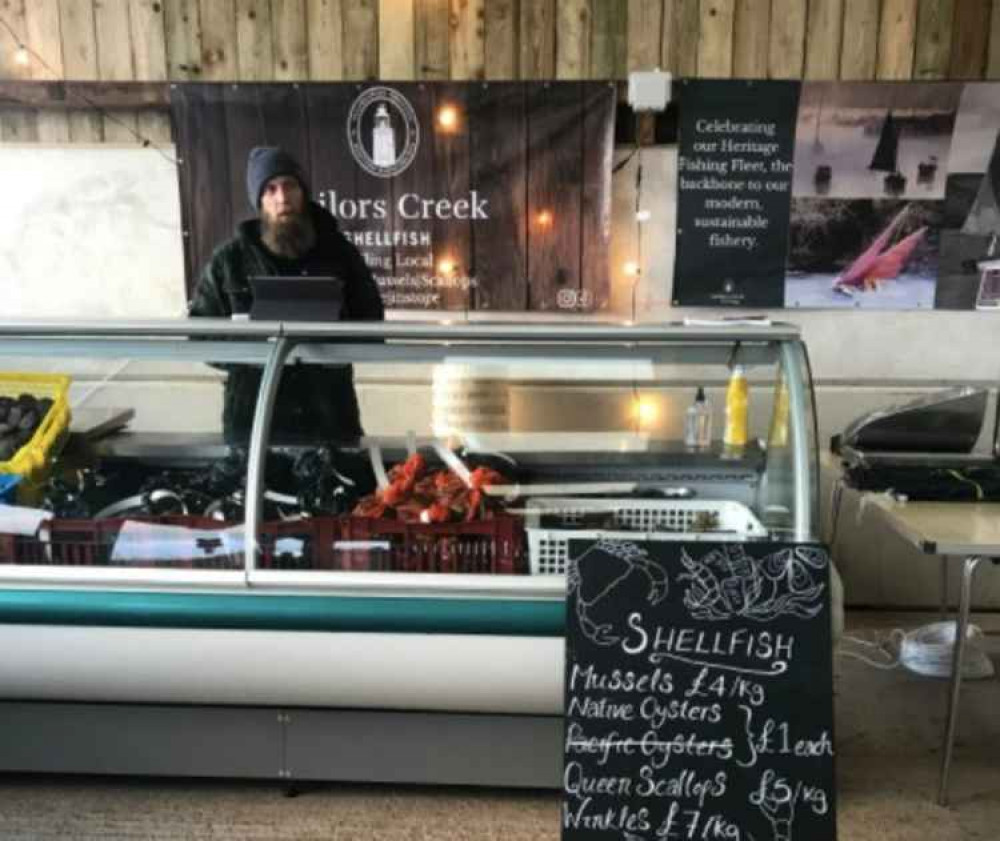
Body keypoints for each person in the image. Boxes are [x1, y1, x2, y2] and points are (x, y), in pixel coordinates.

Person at [189, 147, 384, 445]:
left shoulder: (340, 254)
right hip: (254, 423)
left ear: (303, 191)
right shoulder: (229, 261)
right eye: (270, 189)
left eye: (289, 185)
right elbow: (199, 337)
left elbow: (373, 324)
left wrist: (335, 340)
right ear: (259, 200)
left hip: (329, 419)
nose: (282, 198)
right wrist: (248, 354)